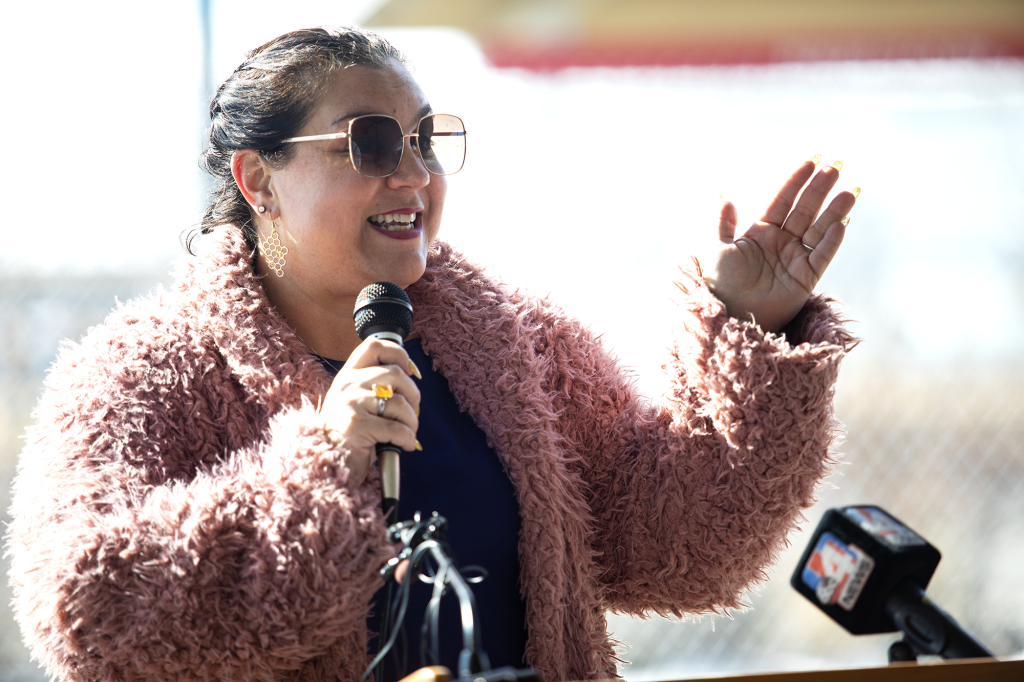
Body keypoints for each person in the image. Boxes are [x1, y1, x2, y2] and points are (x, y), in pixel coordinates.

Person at [6, 26, 857, 682]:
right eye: (371, 144)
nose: (412, 174)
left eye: (423, 140)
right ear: (257, 180)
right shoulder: (144, 373)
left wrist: (754, 328)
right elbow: (88, 613)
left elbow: (674, 549)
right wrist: (318, 469)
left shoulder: (515, 343)